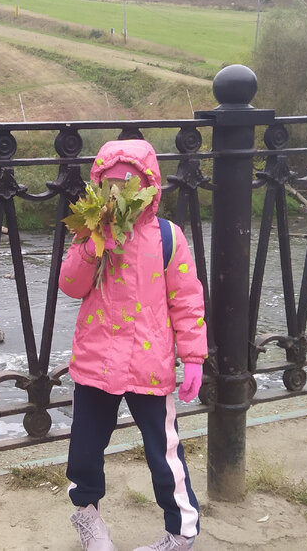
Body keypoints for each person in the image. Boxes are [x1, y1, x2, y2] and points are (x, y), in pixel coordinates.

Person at [59, 139, 208, 551]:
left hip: (149, 363)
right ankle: (88, 517)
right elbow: (70, 285)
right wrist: (91, 245)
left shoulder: (166, 236)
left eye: (129, 184)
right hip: (96, 363)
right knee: (84, 450)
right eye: (111, 185)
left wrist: (193, 356)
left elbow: (187, 297)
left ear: (148, 187)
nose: (119, 193)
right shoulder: (89, 232)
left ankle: (182, 531)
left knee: (165, 454)